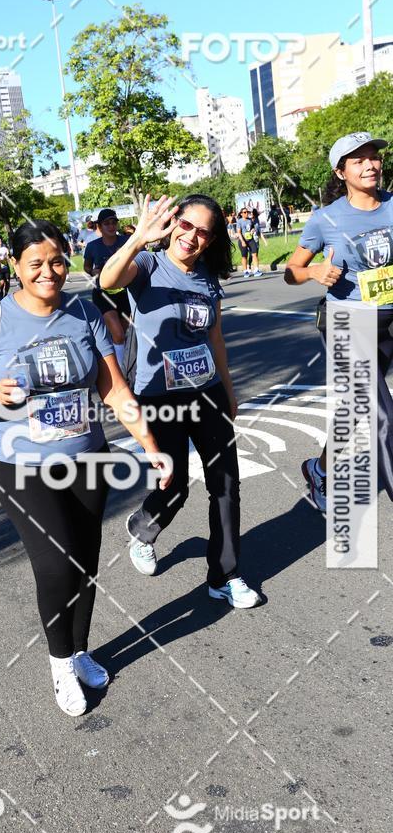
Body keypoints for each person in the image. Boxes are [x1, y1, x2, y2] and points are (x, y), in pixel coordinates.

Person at [0, 219, 171, 716]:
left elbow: (114, 389)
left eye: (56, 261)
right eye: (35, 263)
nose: (48, 272)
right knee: (56, 563)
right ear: (14, 267)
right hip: (23, 468)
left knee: (85, 563)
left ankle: (79, 649)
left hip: (88, 459)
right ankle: (59, 664)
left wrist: (151, 445)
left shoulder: (84, 313)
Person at [100, 193, 261, 609]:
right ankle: (143, 529)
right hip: (159, 397)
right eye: (186, 225)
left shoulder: (208, 278)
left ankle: (225, 576)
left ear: (210, 240)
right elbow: (108, 281)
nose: (192, 237)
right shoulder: (150, 265)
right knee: (174, 488)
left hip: (207, 394)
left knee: (225, 485)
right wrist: (138, 237)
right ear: (173, 224)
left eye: (203, 232)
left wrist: (228, 391)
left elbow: (215, 339)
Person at [285, 131, 393, 511]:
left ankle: (320, 469)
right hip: (347, 321)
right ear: (340, 171)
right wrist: (314, 273)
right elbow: (291, 271)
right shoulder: (324, 219)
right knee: (382, 416)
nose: (370, 164)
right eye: (358, 160)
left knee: (352, 410)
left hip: (388, 319)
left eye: (373, 157)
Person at [84, 208, 131, 366]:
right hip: (103, 294)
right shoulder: (93, 246)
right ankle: (120, 372)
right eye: (107, 223)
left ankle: (120, 361)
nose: (111, 226)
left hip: (125, 293)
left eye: (113, 222)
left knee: (124, 334)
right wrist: (92, 271)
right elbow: (86, 267)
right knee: (118, 335)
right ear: (100, 226)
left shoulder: (126, 242)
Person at [236, 208, 262, 278]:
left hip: (250, 239)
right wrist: (242, 241)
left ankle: (256, 270)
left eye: (247, 212)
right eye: (244, 212)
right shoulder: (239, 221)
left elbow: (253, 227)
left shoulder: (250, 220)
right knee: (244, 256)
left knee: (255, 254)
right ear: (241, 214)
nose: (246, 213)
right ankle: (245, 271)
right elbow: (238, 232)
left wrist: (252, 230)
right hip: (243, 240)